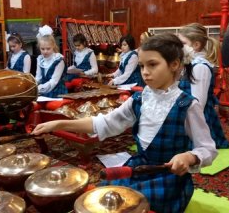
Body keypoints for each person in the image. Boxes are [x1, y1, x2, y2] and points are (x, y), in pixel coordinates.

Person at [32, 33, 217, 213]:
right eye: (142, 65)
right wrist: (59, 124)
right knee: (106, 194)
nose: (145, 72)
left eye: (152, 65)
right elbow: (104, 123)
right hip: (140, 166)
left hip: (168, 178)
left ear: (174, 64)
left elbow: (207, 149)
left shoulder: (188, 105)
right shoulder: (139, 99)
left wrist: (189, 157)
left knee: (135, 205)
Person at [178, 23, 229, 149]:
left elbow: (198, 102)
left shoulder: (200, 67)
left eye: (182, 44)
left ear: (196, 45)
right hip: (186, 110)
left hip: (195, 115)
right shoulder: (190, 63)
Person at [35, 25, 67, 97]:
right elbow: (38, 78)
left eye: (48, 48)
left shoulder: (59, 60)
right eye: (42, 49)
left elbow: (54, 81)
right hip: (43, 91)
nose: (45, 51)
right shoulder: (40, 59)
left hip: (57, 92)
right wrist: (31, 86)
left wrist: (40, 88)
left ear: (53, 46)